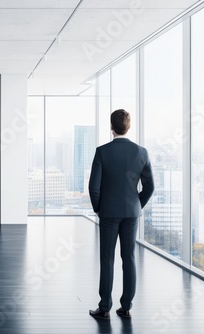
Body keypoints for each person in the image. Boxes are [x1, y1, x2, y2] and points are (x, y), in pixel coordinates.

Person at [88, 109, 154, 320]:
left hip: (108, 213)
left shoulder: (102, 152)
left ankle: (105, 307)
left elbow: (94, 187)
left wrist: (99, 208)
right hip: (131, 214)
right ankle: (126, 307)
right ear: (129, 126)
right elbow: (150, 186)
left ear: (111, 126)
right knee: (129, 258)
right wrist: (137, 205)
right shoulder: (142, 152)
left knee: (107, 259)